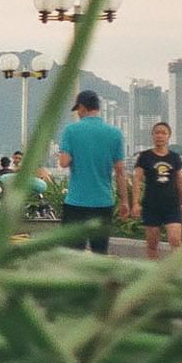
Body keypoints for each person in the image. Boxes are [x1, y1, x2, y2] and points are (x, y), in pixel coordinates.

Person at [58, 90, 130, 254]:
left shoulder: (70, 130)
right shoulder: (115, 134)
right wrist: (125, 201)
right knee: (100, 252)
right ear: (98, 107)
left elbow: (64, 162)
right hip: (103, 202)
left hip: (76, 202)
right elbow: (120, 171)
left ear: (82, 108)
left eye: (78, 109)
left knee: (72, 253)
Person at [133, 121, 182, 259]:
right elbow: (137, 179)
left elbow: (180, 181)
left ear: (169, 136)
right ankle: (154, 273)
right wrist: (135, 203)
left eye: (164, 133)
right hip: (151, 205)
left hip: (172, 205)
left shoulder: (174, 157)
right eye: (157, 132)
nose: (160, 136)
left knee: (175, 240)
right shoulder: (145, 157)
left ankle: (177, 272)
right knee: (152, 243)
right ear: (152, 135)